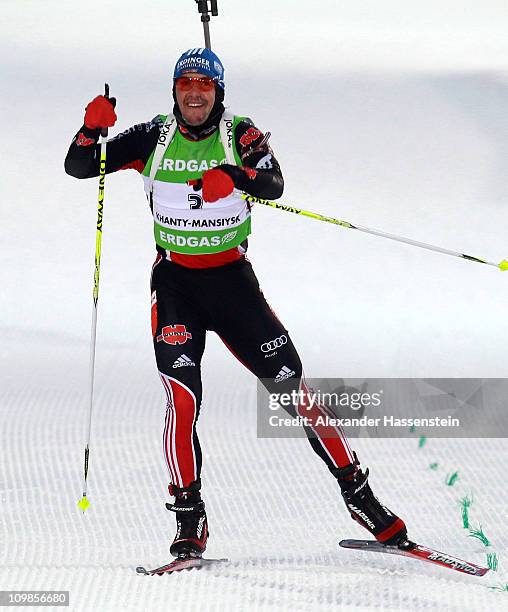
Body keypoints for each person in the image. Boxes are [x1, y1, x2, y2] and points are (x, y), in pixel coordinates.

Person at [65, 48, 407, 559]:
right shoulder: (151, 137)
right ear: (175, 90)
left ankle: (360, 496)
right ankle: (188, 517)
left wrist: (236, 176)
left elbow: (273, 182)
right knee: (182, 402)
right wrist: (91, 129)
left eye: (205, 84)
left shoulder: (239, 133)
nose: (195, 92)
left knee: (295, 390)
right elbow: (79, 166)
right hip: (177, 285)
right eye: (186, 83)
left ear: (219, 92)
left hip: (232, 283)